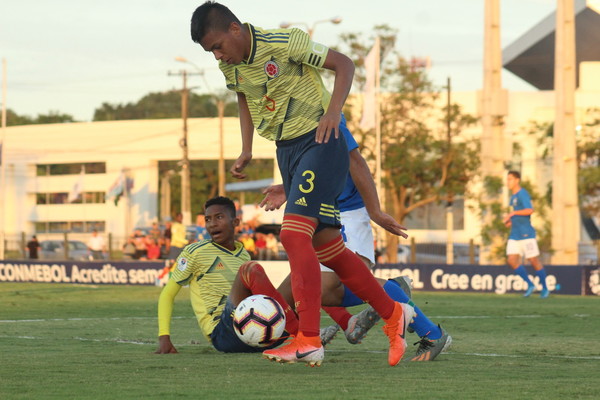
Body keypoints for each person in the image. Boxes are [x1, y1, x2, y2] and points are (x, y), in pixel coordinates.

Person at [191, 1, 413, 367]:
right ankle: (393, 314)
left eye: (217, 46)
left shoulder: (284, 42)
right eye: (210, 51)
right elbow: (243, 98)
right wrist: (246, 148)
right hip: (287, 150)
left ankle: (308, 339)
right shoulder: (230, 65)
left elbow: (345, 63)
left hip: (320, 139)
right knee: (328, 248)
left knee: (294, 235)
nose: (217, 55)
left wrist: (333, 112)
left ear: (234, 29)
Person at [261, 115, 451, 362]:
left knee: (323, 288)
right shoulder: (292, 112)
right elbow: (314, 165)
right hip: (318, 210)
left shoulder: (325, 113)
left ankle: (415, 316)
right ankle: (323, 331)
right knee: (289, 294)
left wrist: (375, 212)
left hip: (347, 213)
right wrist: (288, 188)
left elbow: (355, 161)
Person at [156, 196, 299, 356]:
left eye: (219, 217)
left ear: (235, 222)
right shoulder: (195, 251)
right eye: (208, 219)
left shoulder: (243, 254)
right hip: (223, 333)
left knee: (302, 272)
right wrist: (164, 337)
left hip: (258, 329)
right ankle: (298, 331)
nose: (212, 224)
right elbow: (167, 294)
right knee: (250, 269)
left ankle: (310, 334)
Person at [503, 171, 550, 298]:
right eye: (507, 179)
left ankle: (545, 288)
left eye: (510, 179)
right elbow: (518, 214)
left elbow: (530, 210)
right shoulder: (512, 197)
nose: (508, 182)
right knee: (512, 260)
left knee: (533, 260)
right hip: (514, 234)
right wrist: (510, 222)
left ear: (517, 180)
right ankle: (530, 284)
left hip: (526, 234)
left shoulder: (523, 193)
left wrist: (513, 214)